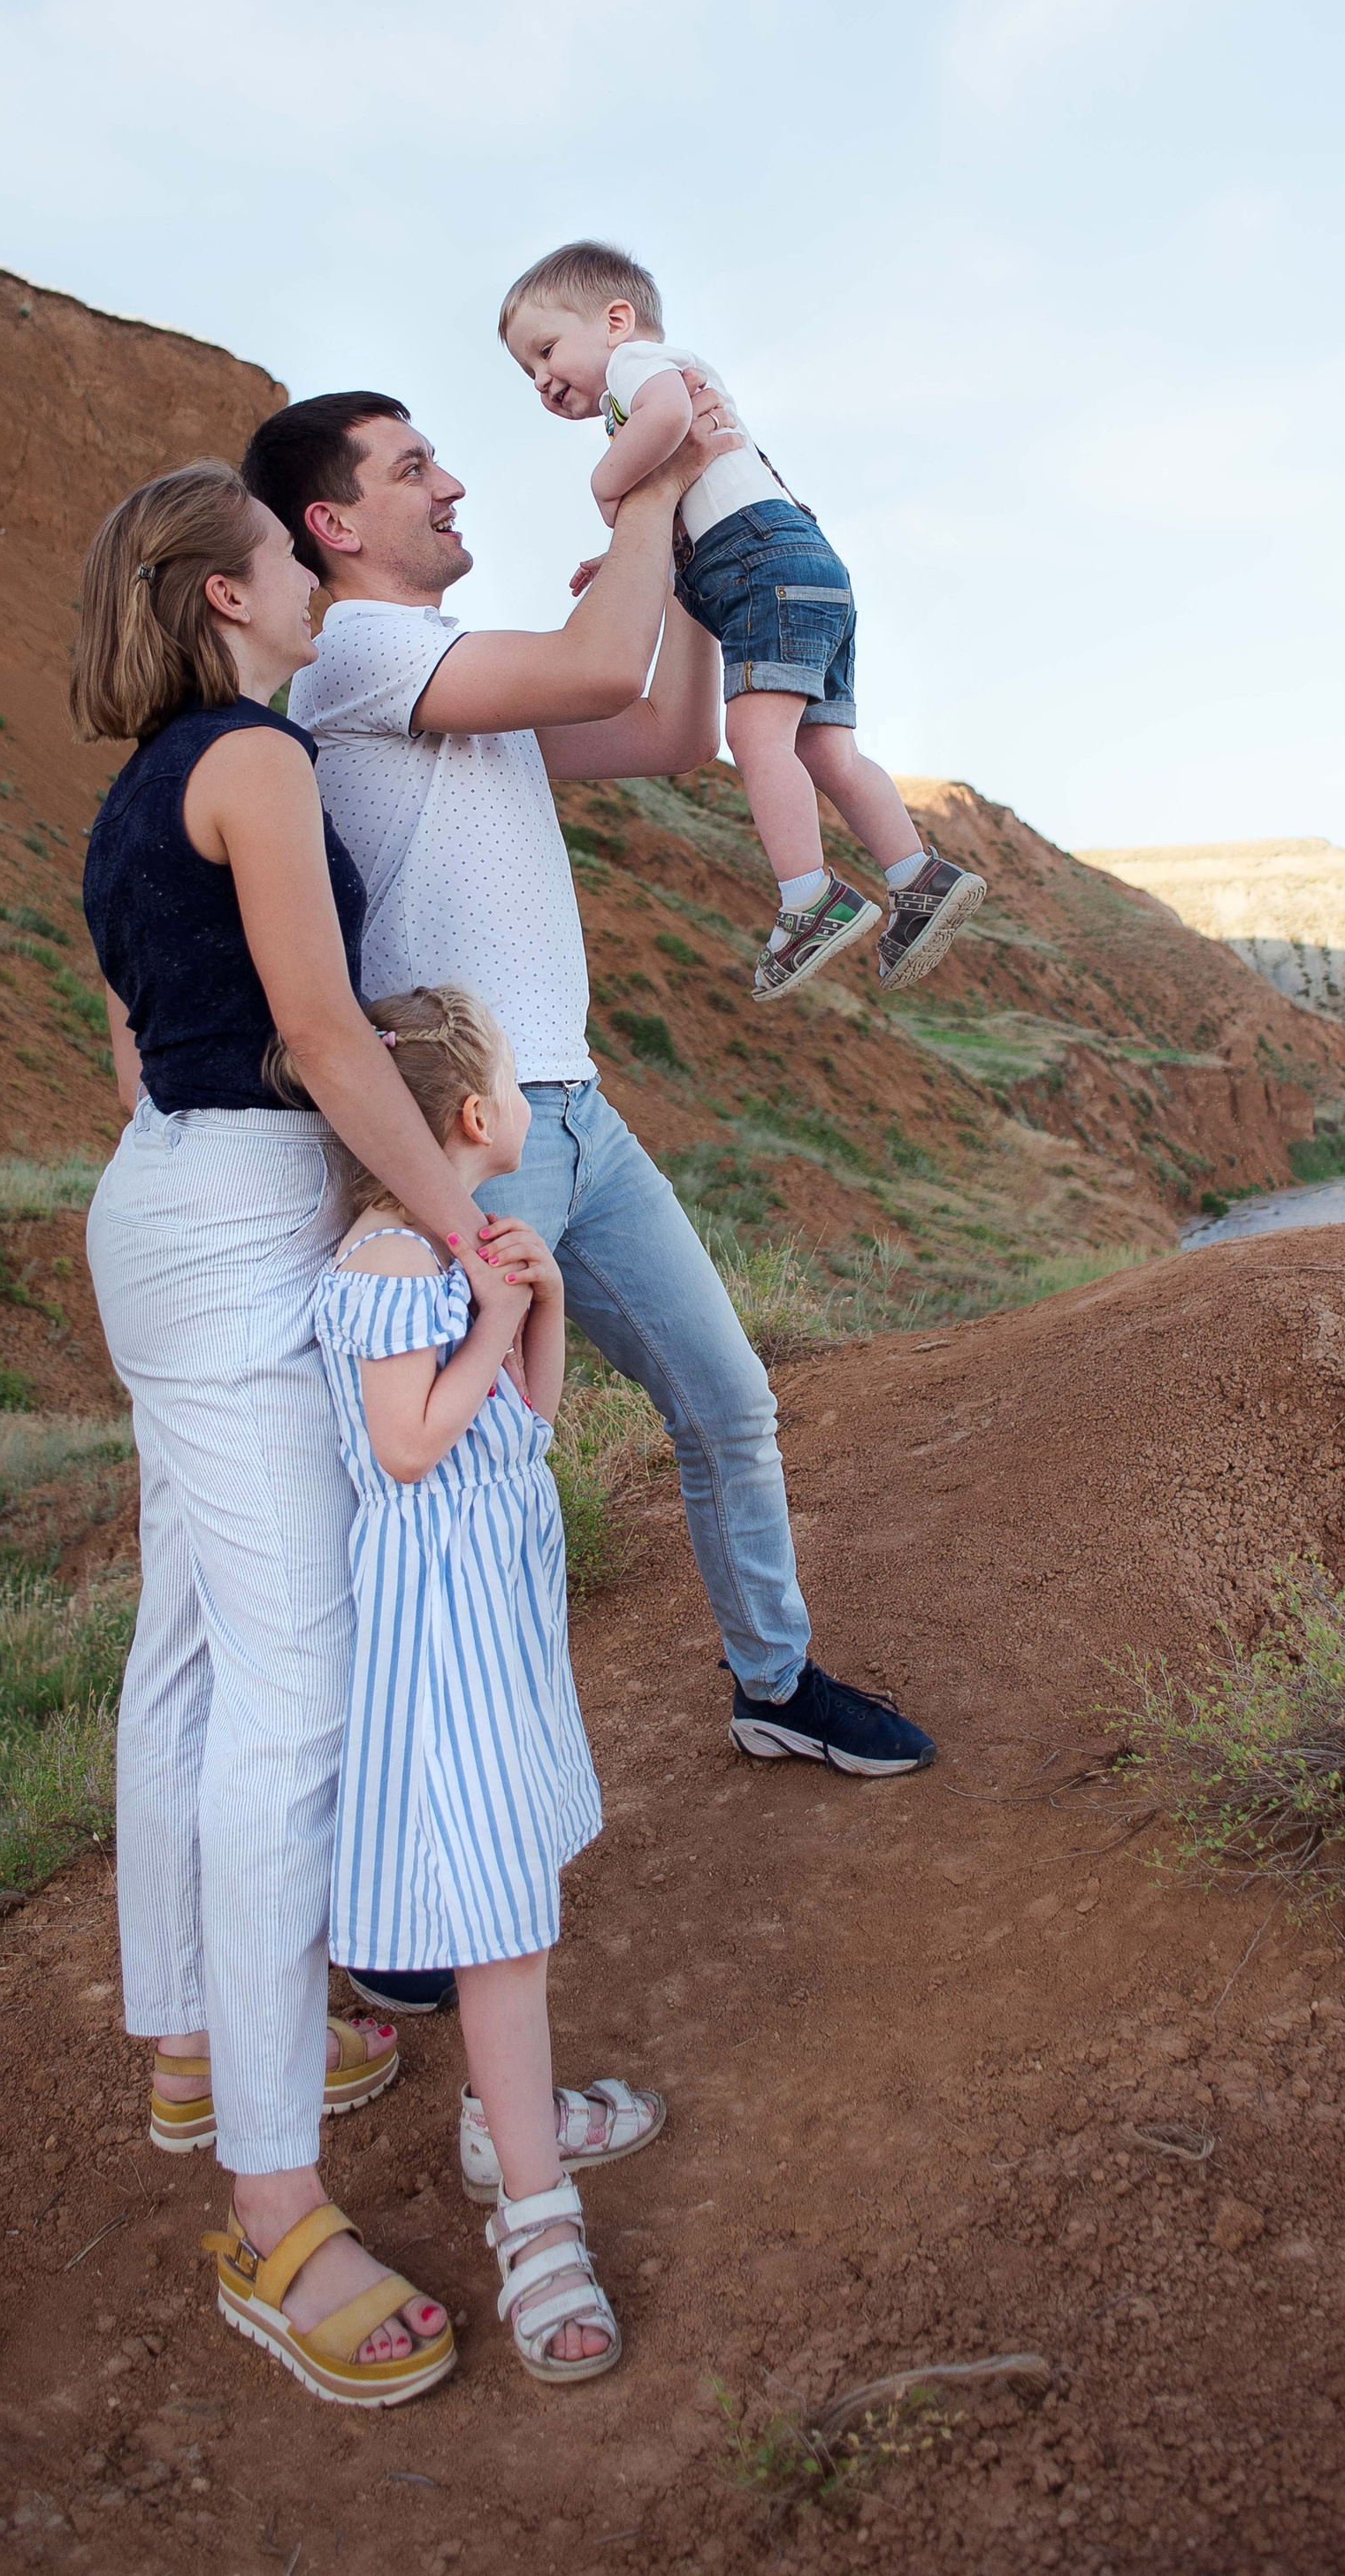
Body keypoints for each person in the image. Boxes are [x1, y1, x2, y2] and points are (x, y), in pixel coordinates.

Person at [242, 379, 937, 2049]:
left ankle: (773, 1685)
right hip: (464, 1144)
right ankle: (403, 1894)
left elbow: (658, 730)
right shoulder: (355, 656)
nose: (452, 479)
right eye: (415, 467)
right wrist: (651, 486)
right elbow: (586, 670)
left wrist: (701, 565)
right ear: (334, 527)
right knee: (458, 1513)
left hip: (572, 1107)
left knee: (729, 1401)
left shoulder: (451, 682)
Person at [75, 459, 538, 2410]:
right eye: (287, 564)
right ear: (218, 596)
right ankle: (273, 2216)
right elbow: (330, 1028)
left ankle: (190, 2035)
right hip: (245, 1210)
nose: (311, 590)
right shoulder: (253, 758)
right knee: (297, 1696)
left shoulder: (129, 796)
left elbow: (131, 1039)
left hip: (166, 1199)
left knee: (188, 1649)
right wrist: (458, 1225)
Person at [274, 982, 667, 2385]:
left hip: (499, 1620)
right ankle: (536, 2217)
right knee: (498, 1912)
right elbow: (405, 1445)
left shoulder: (452, 1248)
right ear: (476, 1114)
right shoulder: (386, 1263)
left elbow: (528, 1424)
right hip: (439, 1639)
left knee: (522, 1876)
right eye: (511, 1073)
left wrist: (538, 1298)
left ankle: (512, 2117)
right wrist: (494, 1315)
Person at [498, 237, 987, 1003]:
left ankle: (809, 897)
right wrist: (627, 548)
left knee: (755, 738)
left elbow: (662, 423)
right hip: (803, 562)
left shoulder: (640, 370)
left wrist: (606, 484)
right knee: (828, 752)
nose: (541, 379)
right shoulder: (658, 386)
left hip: (757, 564)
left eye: (547, 349)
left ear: (617, 320)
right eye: (527, 370)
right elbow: (694, 487)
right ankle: (917, 874)